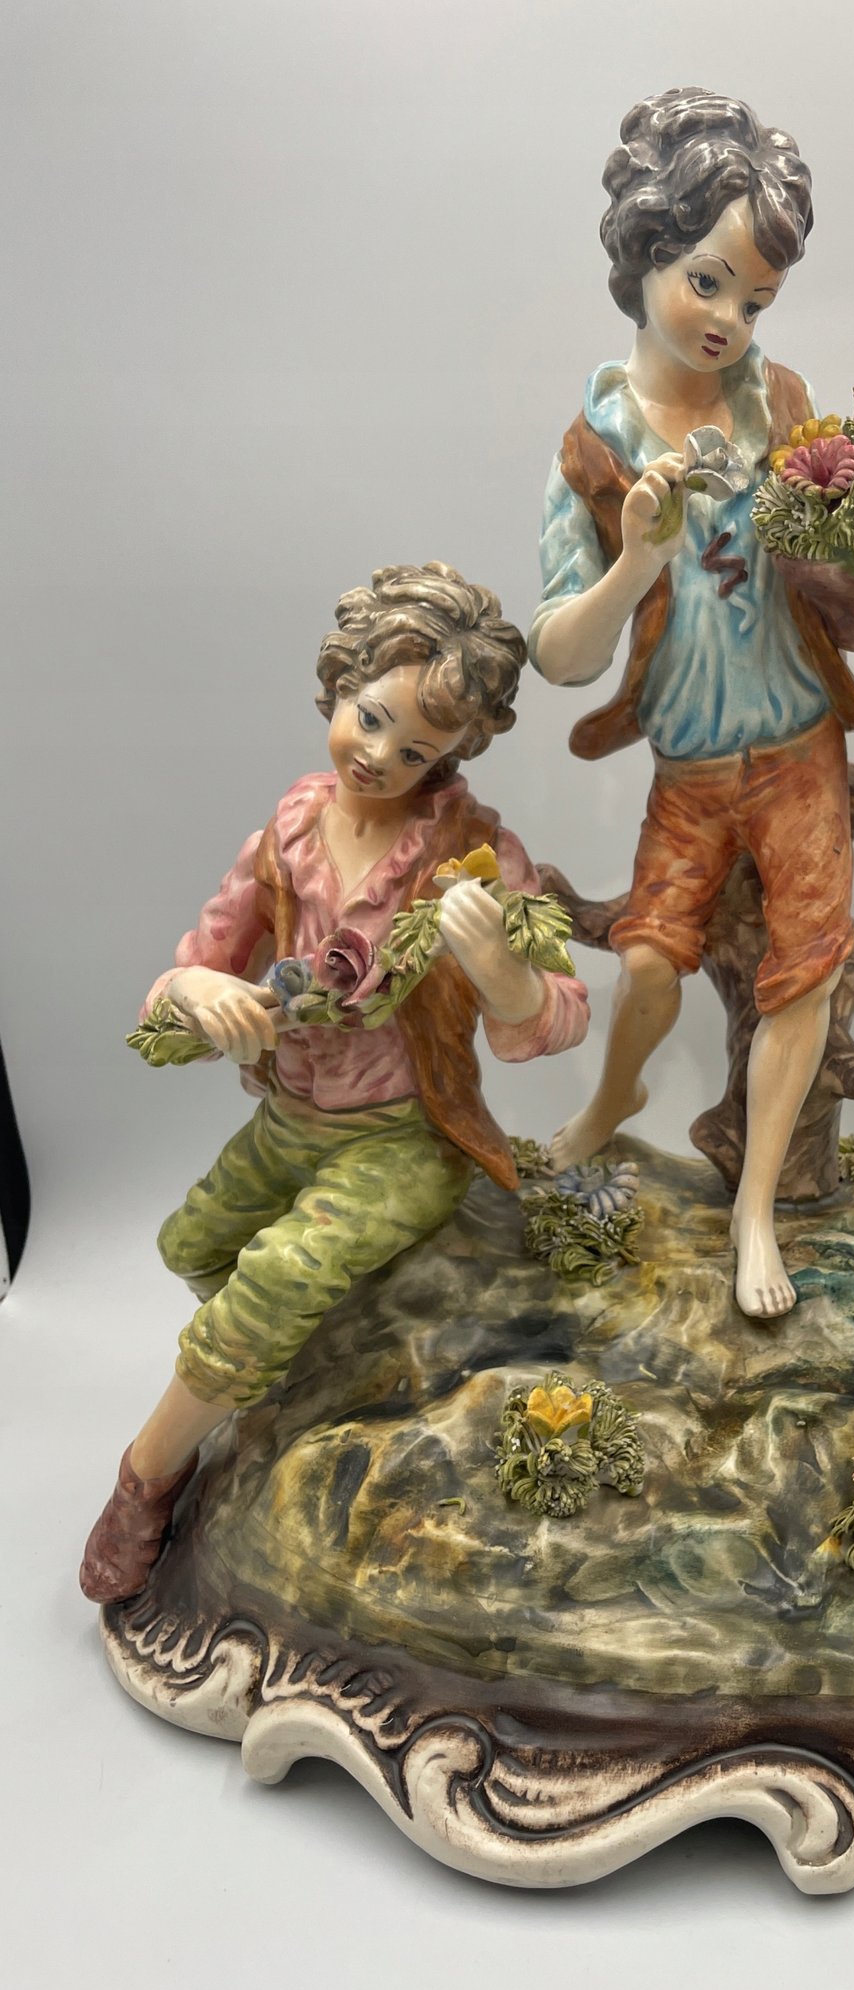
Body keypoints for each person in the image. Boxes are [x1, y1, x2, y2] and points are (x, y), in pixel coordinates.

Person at [530, 86, 854, 1319]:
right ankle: (614, 1098)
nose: (729, 319)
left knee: (801, 977)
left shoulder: (780, 404)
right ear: (642, 257)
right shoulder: (593, 450)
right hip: (691, 770)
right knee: (649, 968)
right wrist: (635, 561)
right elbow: (560, 656)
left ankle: (755, 1210)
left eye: (755, 299)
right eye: (707, 282)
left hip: (800, 751)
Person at [80, 563, 589, 1604]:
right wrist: (199, 992)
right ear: (340, 683)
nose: (380, 758)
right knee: (191, 1245)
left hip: (401, 1137)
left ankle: (145, 1479)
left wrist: (498, 968)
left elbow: (557, 1020)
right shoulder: (289, 836)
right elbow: (187, 974)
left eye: (417, 752)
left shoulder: (472, 856)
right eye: (371, 719)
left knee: (272, 1276)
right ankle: (294, 1370)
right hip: (291, 1121)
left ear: (454, 754)